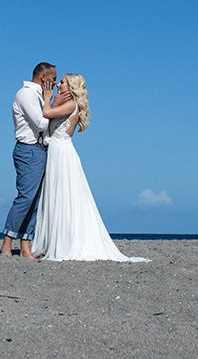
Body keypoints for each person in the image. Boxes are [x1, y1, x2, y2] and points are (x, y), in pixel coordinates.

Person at [31, 74, 147, 262]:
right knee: (55, 195)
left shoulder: (71, 105)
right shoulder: (64, 104)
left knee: (64, 195)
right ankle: (52, 240)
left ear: (71, 87)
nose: (58, 84)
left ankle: (65, 242)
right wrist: (54, 101)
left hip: (62, 152)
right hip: (56, 151)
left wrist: (47, 98)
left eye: (62, 82)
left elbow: (45, 114)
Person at [0, 62, 70, 259]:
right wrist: (52, 103)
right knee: (26, 197)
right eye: (53, 78)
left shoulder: (40, 96)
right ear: (43, 78)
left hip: (41, 149)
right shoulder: (27, 94)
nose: (56, 83)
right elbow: (40, 123)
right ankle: (6, 243)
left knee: (35, 201)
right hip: (29, 149)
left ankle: (25, 246)